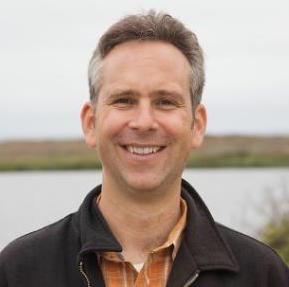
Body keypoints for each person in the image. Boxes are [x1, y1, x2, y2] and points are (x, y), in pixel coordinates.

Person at [0, 11, 288, 287]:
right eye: (124, 100)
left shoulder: (263, 274)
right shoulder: (17, 271)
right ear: (91, 123)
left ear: (197, 125)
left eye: (165, 101)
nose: (144, 122)